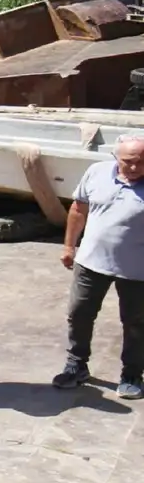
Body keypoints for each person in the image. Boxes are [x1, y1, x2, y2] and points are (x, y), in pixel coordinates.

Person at [51, 134, 144, 400]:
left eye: (142, 162)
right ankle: (76, 365)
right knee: (79, 313)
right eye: (129, 162)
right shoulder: (96, 172)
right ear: (117, 158)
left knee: (136, 323)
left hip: (138, 270)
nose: (135, 168)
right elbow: (79, 210)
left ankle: (132, 373)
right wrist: (69, 246)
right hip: (91, 262)